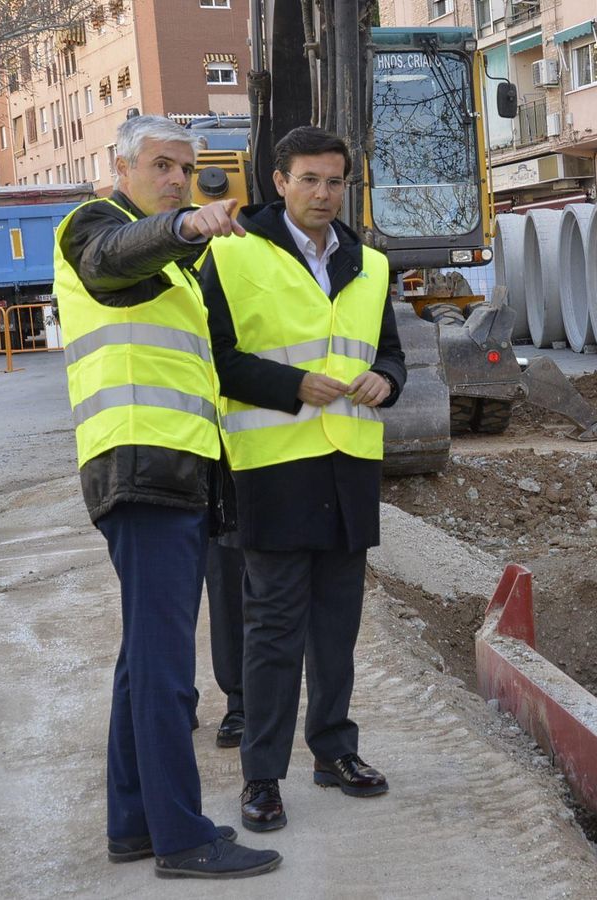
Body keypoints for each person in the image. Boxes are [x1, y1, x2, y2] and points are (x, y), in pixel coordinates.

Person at [55, 114, 280, 879]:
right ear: (122, 168)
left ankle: (134, 824)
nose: (178, 179)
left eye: (185, 169)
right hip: (141, 469)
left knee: (143, 660)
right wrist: (187, 226)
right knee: (165, 669)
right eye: (162, 165)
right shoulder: (94, 226)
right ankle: (183, 838)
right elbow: (114, 257)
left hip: (172, 472)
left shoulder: (178, 268)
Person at [199, 126, 406, 833]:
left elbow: (391, 354)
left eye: (335, 181)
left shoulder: (369, 263)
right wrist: (291, 385)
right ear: (279, 181)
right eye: (310, 179)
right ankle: (261, 776)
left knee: (337, 627)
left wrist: (386, 380)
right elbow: (215, 357)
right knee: (274, 631)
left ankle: (334, 750)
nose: (324, 193)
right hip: (274, 468)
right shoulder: (231, 254)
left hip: (350, 466)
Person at [205, 462, 246, 749]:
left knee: (229, 579)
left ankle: (242, 699)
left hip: (222, 463)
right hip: (163, 467)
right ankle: (175, 697)